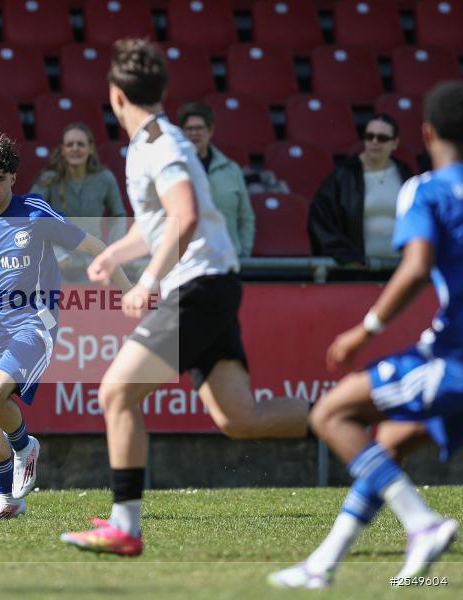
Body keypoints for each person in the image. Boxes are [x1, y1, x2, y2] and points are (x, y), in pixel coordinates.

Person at [59, 38, 310, 556]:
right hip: (211, 283)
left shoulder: (159, 144)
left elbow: (186, 214)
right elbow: (159, 224)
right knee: (238, 420)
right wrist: (114, 253)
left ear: (115, 96)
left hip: (196, 285)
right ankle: (344, 415)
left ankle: (125, 524)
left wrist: (148, 281)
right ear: (162, 91)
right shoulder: (150, 141)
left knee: (116, 393)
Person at [268, 80, 463, 588]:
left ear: (424, 133)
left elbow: (417, 266)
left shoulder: (425, 189)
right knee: (390, 441)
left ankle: (421, 524)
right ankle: (322, 565)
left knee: (331, 412)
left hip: (454, 356)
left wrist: (365, 329)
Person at [0, 128, 131, 521]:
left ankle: (24, 446)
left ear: (12, 179)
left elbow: (96, 247)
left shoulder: (36, 212)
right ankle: (10, 501)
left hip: (37, 321)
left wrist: (130, 292)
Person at [308, 114, 414, 265]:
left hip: (400, 268)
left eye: (382, 138)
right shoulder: (343, 176)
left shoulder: (405, 174)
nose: (374, 142)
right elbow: (321, 221)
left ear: (395, 143)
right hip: (358, 270)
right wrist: (347, 258)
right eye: (369, 136)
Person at [30, 122, 127, 274]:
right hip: (58, 257)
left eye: (80, 144)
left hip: (94, 255)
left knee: (142, 263)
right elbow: (29, 213)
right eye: (70, 145)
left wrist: (112, 252)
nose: (75, 148)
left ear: (91, 148)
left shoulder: (105, 178)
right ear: (62, 149)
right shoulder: (49, 179)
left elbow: (119, 216)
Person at [176, 101, 254, 257]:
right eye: (189, 129)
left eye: (199, 128)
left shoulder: (231, 170)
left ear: (210, 130)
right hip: (187, 261)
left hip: (227, 259)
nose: (194, 134)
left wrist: (243, 251)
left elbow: (246, 216)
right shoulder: (174, 169)